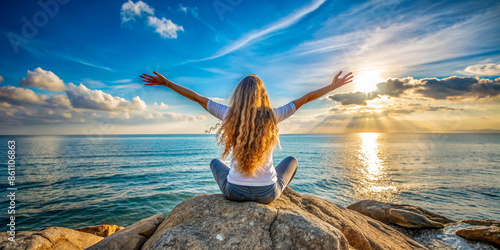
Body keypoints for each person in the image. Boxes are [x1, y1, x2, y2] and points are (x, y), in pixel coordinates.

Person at [141, 71, 353, 204]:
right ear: (262, 95)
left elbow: (197, 98)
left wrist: (167, 82)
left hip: (234, 192)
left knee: (216, 162)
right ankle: (278, 191)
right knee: (292, 161)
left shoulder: (227, 114)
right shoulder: (273, 116)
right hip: (268, 195)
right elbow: (305, 99)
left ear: (238, 95)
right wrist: (332, 86)